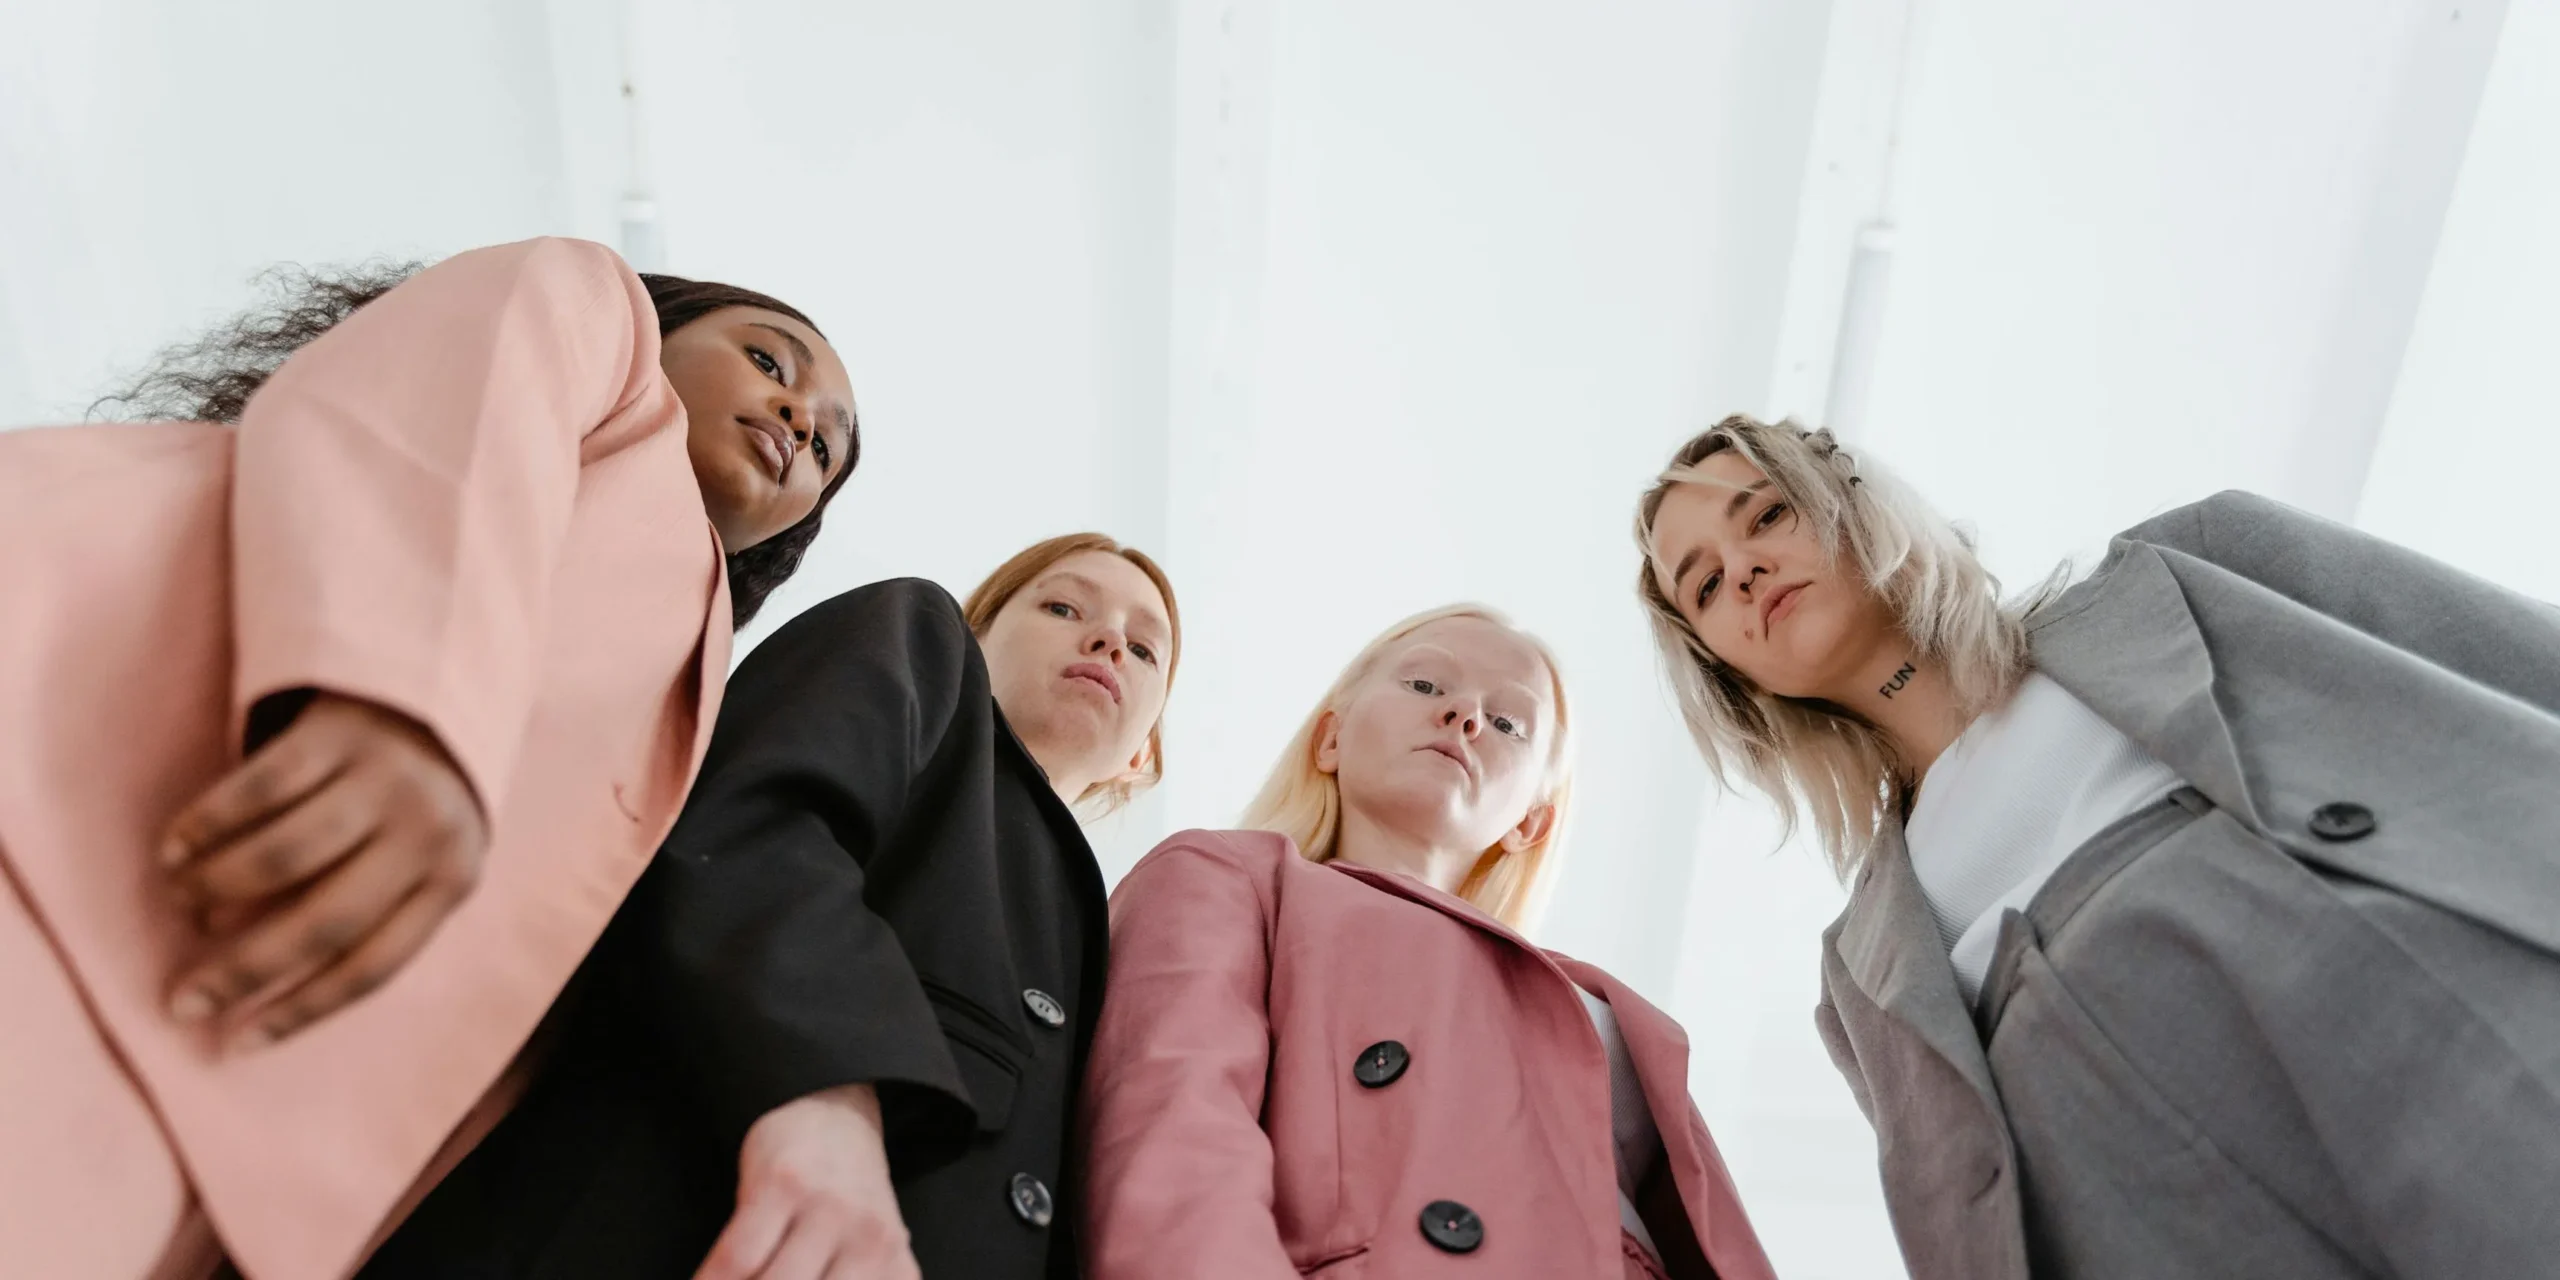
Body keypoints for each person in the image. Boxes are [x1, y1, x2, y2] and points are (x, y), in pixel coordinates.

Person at [0, 236, 860, 1280]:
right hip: (77, 789)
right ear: (668, 321)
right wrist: (403, 704)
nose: (800, 419)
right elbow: (468, 392)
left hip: (229, 1113)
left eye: (827, 450)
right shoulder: (600, 317)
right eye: (771, 362)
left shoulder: (704, 688)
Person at [1632, 413, 2560, 1280]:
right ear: (1728, 671)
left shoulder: (2188, 574)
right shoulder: (1857, 978)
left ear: (1851, 500)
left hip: (2401, 1011)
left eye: (1767, 515)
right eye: (1706, 584)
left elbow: (2505, 663)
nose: (1745, 571)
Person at [362, 532, 1181, 1280]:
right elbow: (752, 821)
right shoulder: (923, 642)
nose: (1108, 638)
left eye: (1144, 648)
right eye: (1063, 606)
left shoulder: (1105, 937)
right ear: (979, 630)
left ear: (1143, 753)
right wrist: (823, 1100)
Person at [1080, 604, 1777, 1280]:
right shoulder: (1232, 879)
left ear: (1531, 822)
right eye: (1425, 684)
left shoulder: (1607, 1004)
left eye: (1507, 721)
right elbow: (1176, 1151)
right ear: (1331, 738)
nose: (1465, 716)